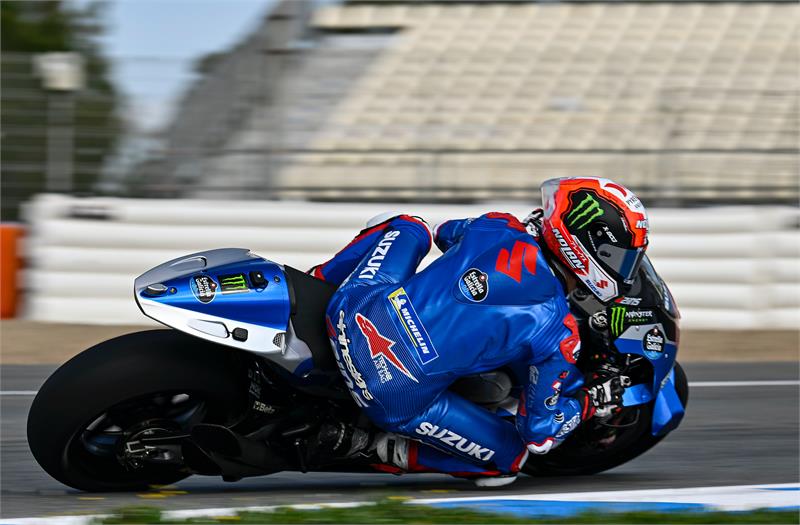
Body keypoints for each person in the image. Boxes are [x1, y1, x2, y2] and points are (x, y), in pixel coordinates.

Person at [310, 177, 650, 486]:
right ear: (587, 246)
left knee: (408, 225)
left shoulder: (498, 224)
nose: (624, 271)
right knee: (511, 459)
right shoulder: (559, 333)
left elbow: (443, 233)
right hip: (392, 393)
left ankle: (316, 282)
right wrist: (589, 402)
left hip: (350, 312)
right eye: (621, 259)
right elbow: (540, 436)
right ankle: (374, 446)